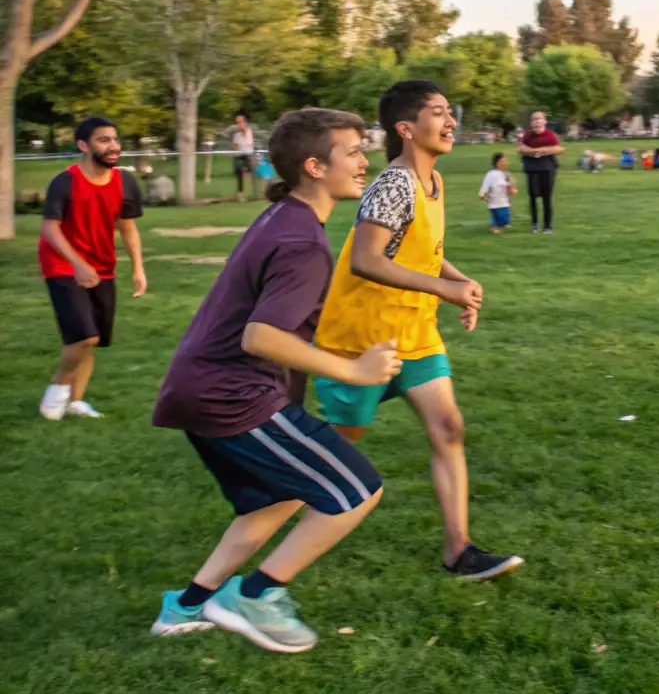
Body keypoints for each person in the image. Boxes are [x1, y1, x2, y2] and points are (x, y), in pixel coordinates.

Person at [149, 108, 400, 653]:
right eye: (352, 152)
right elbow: (261, 336)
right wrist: (355, 371)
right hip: (232, 396)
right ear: (314, 166)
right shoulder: (302, 241)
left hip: (202, 389)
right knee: (357, 491)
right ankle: (254, 595)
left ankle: (187, 605)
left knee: (278, 499)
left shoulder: (285, 216)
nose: (364, 162)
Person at [313, 81, 523, 581]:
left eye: (451, 113)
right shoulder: (395, 182)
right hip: (361, 339)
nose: (451, 122)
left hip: (415, 332)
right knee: (339, 450)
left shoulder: (433, 181)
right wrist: (442, 288)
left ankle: (459, 551)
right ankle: (271, 520)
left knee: (448, 427)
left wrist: (458, 281)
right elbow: (366, 259)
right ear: (406, 129)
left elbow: (420, 245)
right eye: (438, 113)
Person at [38, 117, 147, 421]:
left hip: (101, 267)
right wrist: (77, 263)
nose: (113, 146)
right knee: (85, 337)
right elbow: (50, 228)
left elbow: (127, 228)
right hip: (62, 263)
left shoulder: (125, 182)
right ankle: (58, 388)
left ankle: (75, 402)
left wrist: (138, 268)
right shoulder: (66, 181)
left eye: (115, 139)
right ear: (83, 146)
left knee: (92, 336)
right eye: (103, 140)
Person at [517, 110, 563, 234]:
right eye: (534, 119)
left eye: (539, 119)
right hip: (532, 167)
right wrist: (533, 152)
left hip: (547, 167)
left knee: (546, 197)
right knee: (532, 196)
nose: (537, 121)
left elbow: (558, 148)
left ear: (544, 121)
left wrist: (542, 151)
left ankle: (548, 226)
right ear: (531, 123)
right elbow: (520, 148)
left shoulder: (550, 135)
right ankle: (534, 223)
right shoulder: (527, 135)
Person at [479, 152, 517, 233]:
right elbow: (485, 185)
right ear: (497, 163)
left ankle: (502, 224)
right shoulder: (491, 174)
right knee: (496, 217)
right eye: (503, 161)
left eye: (506, 161)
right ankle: (495, 226)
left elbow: (510, 185)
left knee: (505, 220)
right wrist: (482, 193)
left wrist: (512, 188)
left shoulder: (505, 174)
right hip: (494, 202)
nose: (505, 163)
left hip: (505, 201)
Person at [229, 112, 257, 200]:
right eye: (237, 123)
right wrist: (237, 148)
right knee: (240, 174)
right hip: (239, 155)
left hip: (249, 155)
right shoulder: (237, 134)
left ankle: (256, 193)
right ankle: (241, 194)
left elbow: (249, 143)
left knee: (252, 174)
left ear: (245, 122)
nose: (239, 124)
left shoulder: (249, 131)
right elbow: (235, 145)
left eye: (241, 122)